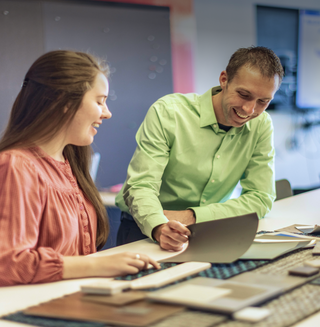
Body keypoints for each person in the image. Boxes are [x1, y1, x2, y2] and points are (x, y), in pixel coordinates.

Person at [0, 50, 159, 286]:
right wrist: (98, 265)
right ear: (64, 101)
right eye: (99, 101)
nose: (107, 113)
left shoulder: (70, 162)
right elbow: (9, 263)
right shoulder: (16, 165)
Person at [116, 46, 284, 251]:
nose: (250, 110)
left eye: (263, 102)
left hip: (207, 228)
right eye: (243, 94)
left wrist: (192, 216)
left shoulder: (261, 125)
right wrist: (160, 226)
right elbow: (141, 186)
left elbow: (261, 197)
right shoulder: (169, 112)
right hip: (145, 226)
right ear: (224, 79)